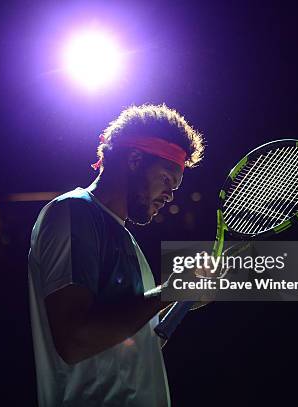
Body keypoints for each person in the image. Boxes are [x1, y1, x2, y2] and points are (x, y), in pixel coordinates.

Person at [28, 103, 205, 406]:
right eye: (166, 179)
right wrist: (168, 291)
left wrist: (181, 299)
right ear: (135, 160)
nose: (170, 194)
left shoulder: (124, 238)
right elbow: (74, 341)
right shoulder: (74, 212)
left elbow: (127, 346)